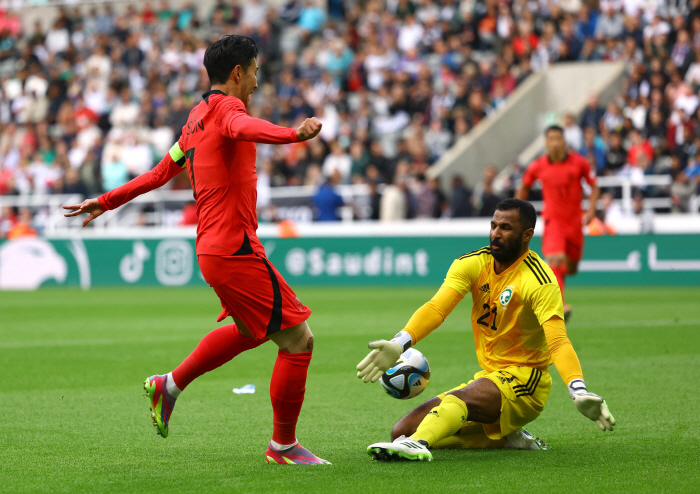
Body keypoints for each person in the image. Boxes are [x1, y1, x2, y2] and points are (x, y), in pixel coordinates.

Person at [63, 35, 330, 465]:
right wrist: (293, 134)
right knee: (298, 339)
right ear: (239, 72)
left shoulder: (195, 119)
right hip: (234, 249)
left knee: (250, 331)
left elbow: (159, 172)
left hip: (212, 248)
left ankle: (167, 385)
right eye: (256, 72)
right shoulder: (228, 111)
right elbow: (243, 127)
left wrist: (106, 199)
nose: (258, 82)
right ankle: (283, 446)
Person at [357, 199, 615, 462]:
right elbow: (437, 308)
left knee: (455, 403)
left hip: (527, 380)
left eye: (505, 227)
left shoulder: (539, 280)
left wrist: (578, 390)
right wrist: (399, 343)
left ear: (527, 235)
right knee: (399, 432)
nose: (495, 233)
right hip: (490, 377)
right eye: (493, 225)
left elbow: (558, 340)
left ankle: (418, 444)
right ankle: (505, 438)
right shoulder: (473, 263)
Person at [516, 125, 600, 321]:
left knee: (570, 267)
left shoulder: (579, 163)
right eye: (550, 139)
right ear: (546, 143)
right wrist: (516, 214)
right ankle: (558, 305)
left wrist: (591, 210)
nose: (554, 143)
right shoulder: (537, 166)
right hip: (553, 221)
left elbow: (595, 186)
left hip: (575, 223)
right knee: (554, 260)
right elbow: (524, 187)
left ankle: (546, 288)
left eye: (557, 138)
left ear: (564, 141)